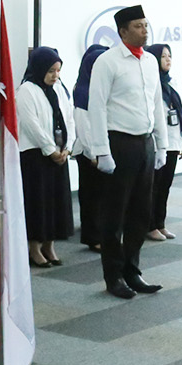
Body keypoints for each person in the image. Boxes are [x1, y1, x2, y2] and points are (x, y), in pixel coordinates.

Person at [86, 6, 169, 300]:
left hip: (144, 143)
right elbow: (95, 107)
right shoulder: (107, 62)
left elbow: (156, 103)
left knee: (140, 213)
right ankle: (113, 275)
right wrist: (101, 151)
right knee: (115, 213)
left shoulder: (148, 61)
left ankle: (133, 270)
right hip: (119, 143)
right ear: (122, 31)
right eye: (137, 26)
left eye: (146, 25)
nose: (144, 30)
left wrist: (161, 143)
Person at [17, 46, 74, 267]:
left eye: (58, 70)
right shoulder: (26, 90)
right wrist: (50, 149)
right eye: (50, 71)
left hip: (59, 155)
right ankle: (34, 247)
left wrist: (67, 147)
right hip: (36, 156)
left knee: (56, 202)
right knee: (38, 202)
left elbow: (69, 117)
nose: (55, 75)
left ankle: (50, 245)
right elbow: (32, 125)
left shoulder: (59, 88)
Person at [146, 43, 182, 241]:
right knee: (153, 187)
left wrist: (180, 142)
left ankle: (160, 223)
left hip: (172, 143)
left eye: (169, 56)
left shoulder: (171, 84)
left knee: (165, 186)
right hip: (156, 144)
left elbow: (177, 115)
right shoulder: (150, 84)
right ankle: (150, 225)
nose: (168, 59)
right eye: (163, 56)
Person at [71, 45, 110, 252]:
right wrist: (94, 153)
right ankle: (92, 236)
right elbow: (83, 127)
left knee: (104, 196)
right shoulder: (83, 90)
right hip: (89, 153)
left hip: (103, 151)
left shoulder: (101, 89)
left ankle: (102, 234)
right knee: (92, 197)